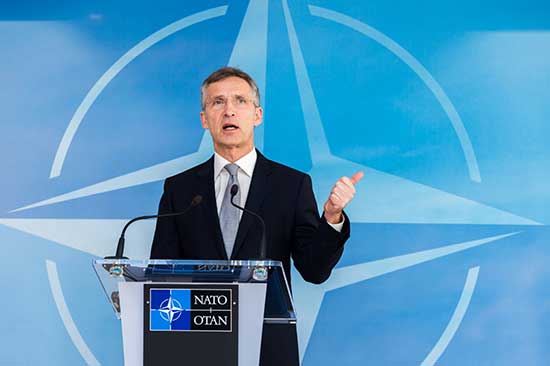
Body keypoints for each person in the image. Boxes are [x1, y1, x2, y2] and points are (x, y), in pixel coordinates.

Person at [150, 67, 363, 365]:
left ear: (257, 115)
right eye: (217, 102)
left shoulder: (291, 185)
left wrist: (332, 216)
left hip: (268, 348)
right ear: (204, 119)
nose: (229, 111)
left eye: (240, 101)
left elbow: (314, 271)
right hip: (195, 347)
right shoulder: (180, 190)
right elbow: (162, 277)